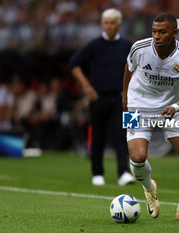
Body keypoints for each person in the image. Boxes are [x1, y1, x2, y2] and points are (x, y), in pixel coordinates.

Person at [123, 13, 179, 222]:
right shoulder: (139, 48)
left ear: (174, 33)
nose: (156, 36)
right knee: (137, 158)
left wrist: (176, 105)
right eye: (154, 31)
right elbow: (128, 70)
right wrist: (125, 105)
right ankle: (149, 189)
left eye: (162, 32)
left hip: (171, 107)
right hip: (137, 106)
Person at [69, 8, 135, 186]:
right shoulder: (94, 45)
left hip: (122, 99)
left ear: (119, 25)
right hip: (98, 98)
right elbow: (74, 64)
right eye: (106, 22)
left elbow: (137, 68)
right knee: (97, 136)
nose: (109, 26)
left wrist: (130, 90)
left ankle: (123, 172)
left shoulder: (127, 46)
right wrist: (87, 87)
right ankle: (97, 172)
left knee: (124, 135)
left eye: (112, 22)